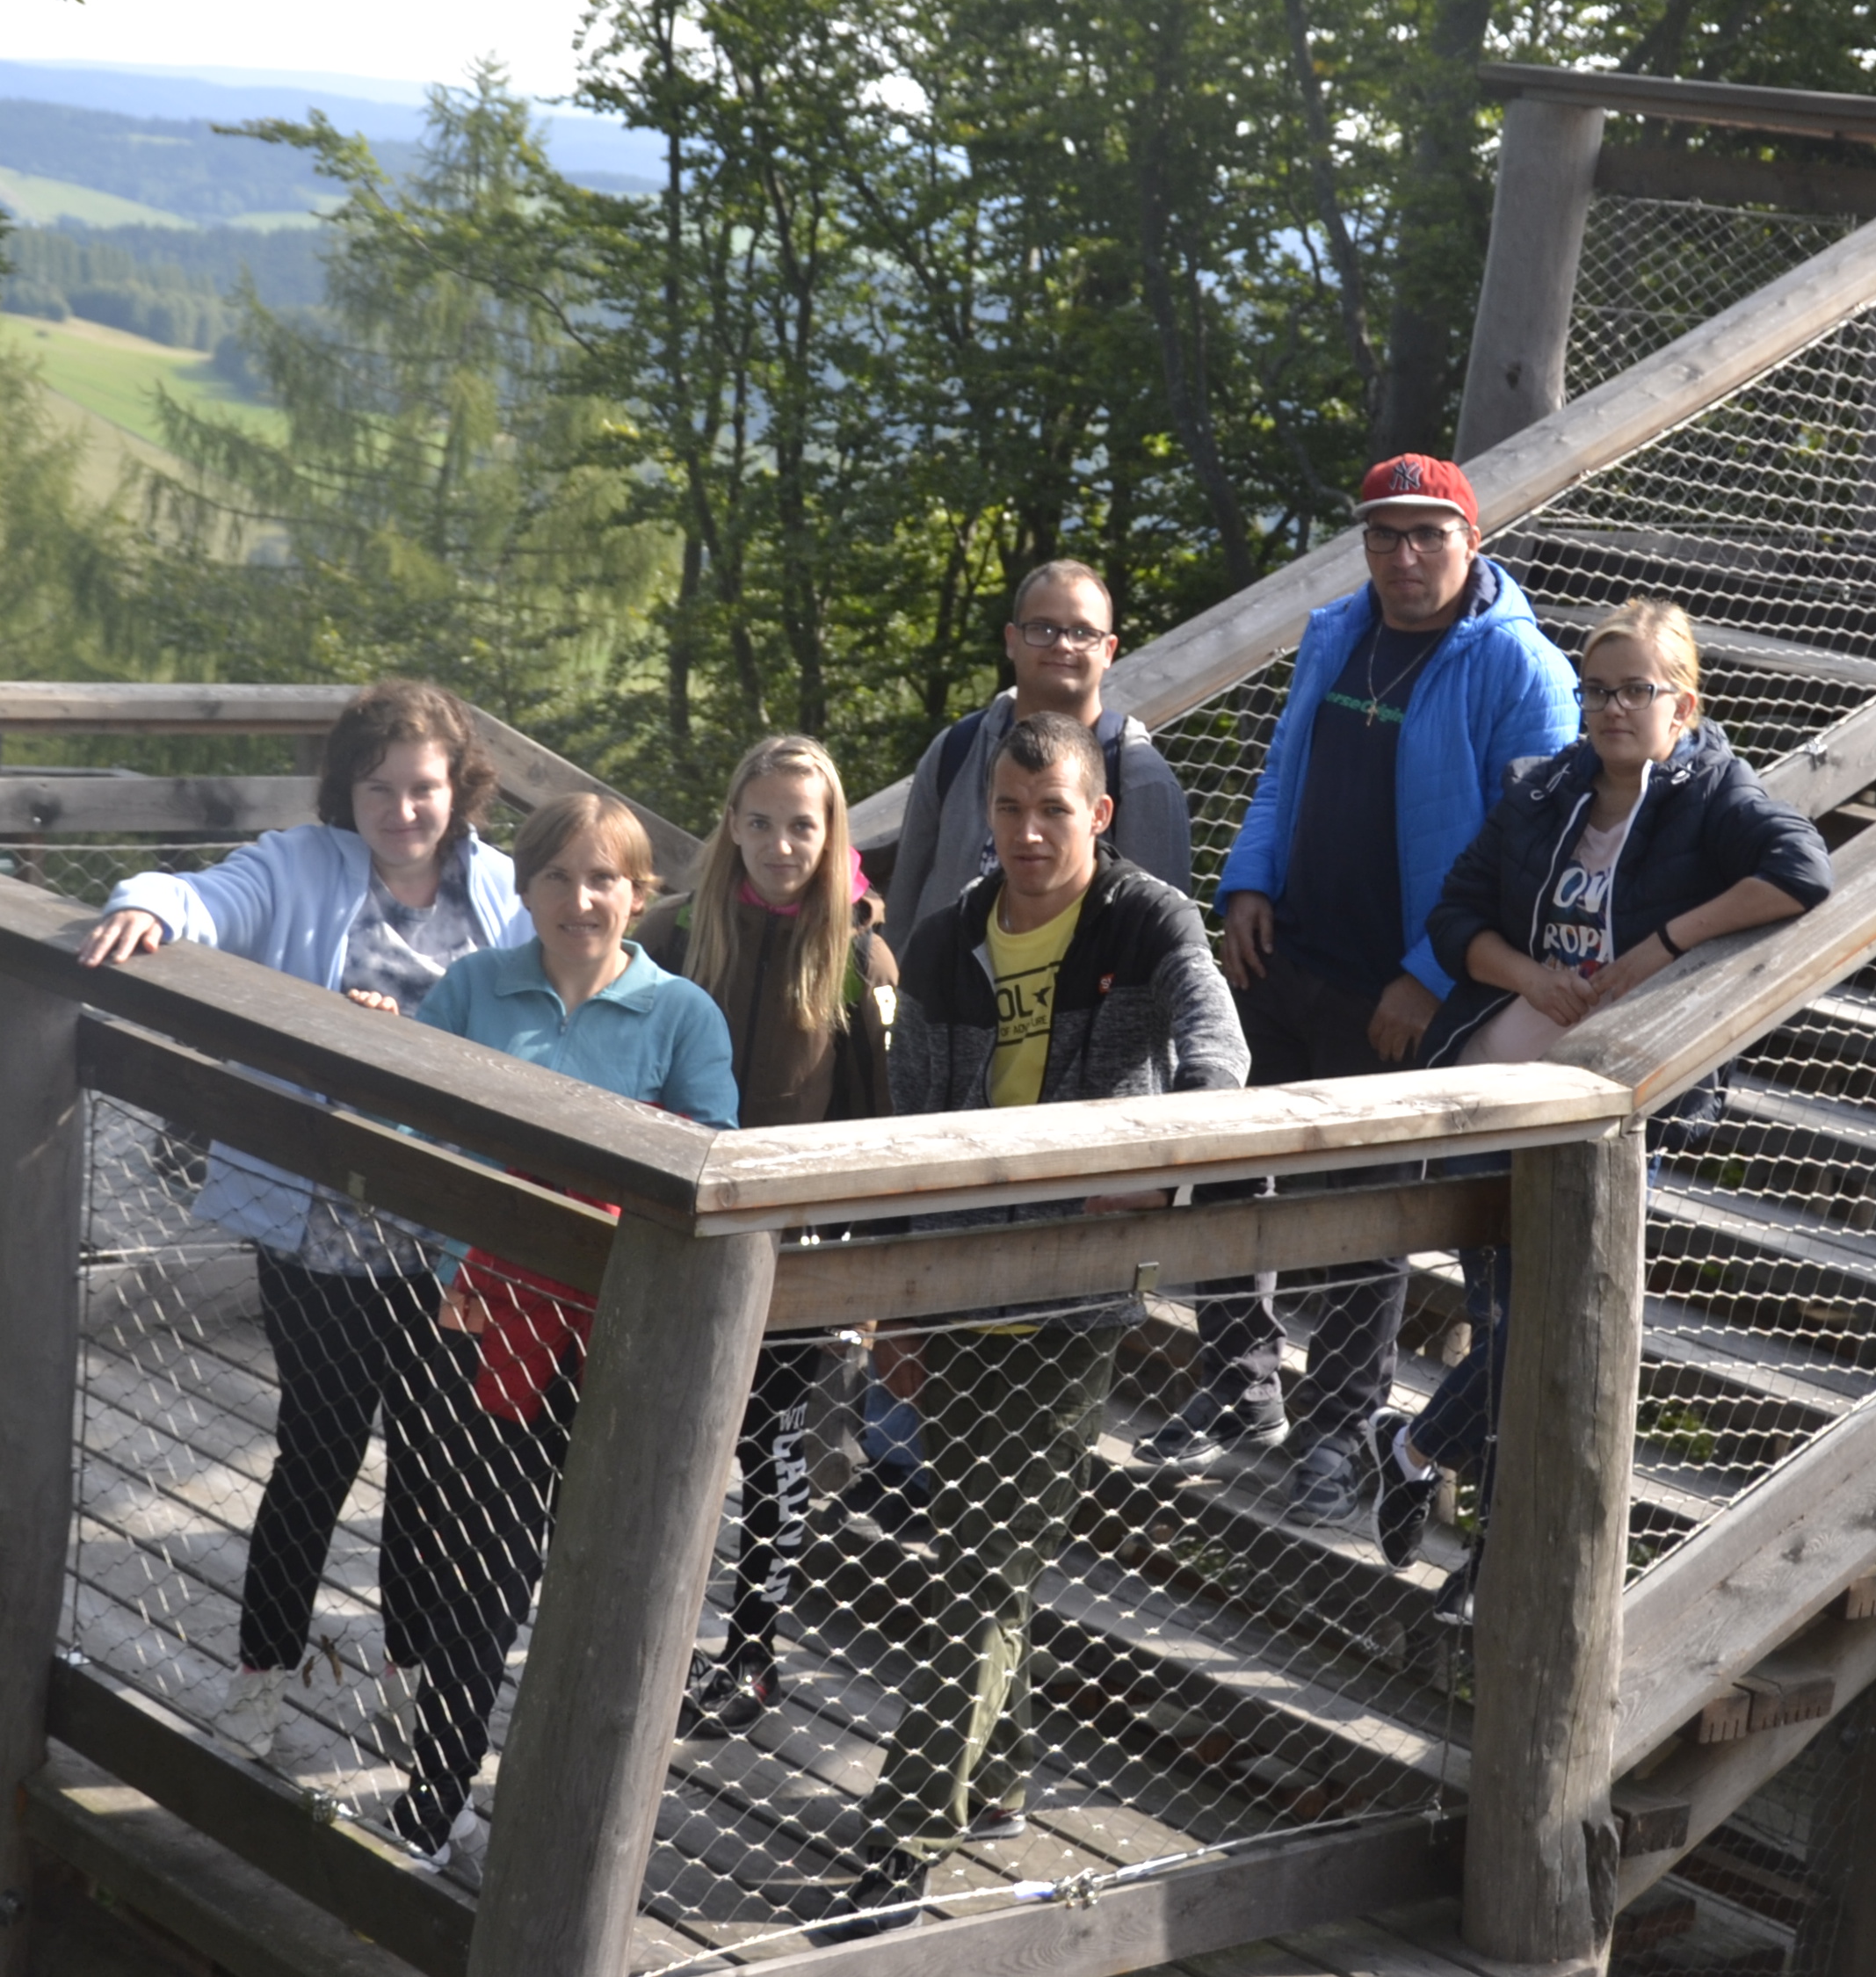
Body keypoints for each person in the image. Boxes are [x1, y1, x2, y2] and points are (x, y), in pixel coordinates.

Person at [838, 714, 1247, 1933]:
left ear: (1098, 813)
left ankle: (903, 1832)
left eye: (1052, 812)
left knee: (976, 1575)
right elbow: (905, 1142)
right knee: (982, 1564)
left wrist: (1169, 1156)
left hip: (1072, 1305)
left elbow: (1217, 1047)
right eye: (1009, 813)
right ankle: (1004, 1780)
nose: (1027, 835)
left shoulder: (1147, 920)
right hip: (956, 1300)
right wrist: (892, 1303)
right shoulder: (946, 935)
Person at [77, 681, 530, 1773]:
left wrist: (415, 1036)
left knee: (432, 1465)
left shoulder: (506, 891)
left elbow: (547, 1001)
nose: (403, 810)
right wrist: (143, 907)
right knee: (316, 1456)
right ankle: (261, 1680)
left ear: (459, 789)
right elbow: (205, 896)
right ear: (350, 791)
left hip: (448, 1239)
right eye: (380, 788)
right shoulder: (305, 864)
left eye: (424, 788)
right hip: (321, 1229)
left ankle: (409, 1675)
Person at [1143, 453, 1575, 1525]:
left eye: (1429, 533)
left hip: (1404, 983)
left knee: (1363, 1212)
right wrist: (1246, 880)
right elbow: (1284, 770)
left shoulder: (1522, 667)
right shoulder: (1338, 631)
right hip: (1284, 952)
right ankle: (1240, 1382)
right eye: (1385, 534)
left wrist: (1430, 978)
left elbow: (1532, 845)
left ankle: (1339, 1425)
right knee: (1228, 1167)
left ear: (1470, 541)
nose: (1405, 554)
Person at [1392, 597, 1831, 1619]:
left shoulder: (1711, 790)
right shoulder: (1544, 789)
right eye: (1598, 690)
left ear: (1684, 704)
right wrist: (1528, 971)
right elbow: (1454, 915)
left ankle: (1418, 1456)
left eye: (1638, 690)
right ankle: (1472, 1544)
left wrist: (1661, 947)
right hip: (1496, 1091)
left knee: (1544, 1330)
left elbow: (1801, 871)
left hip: (1611, 1119)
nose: (1613, 709)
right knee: (1515, 1323)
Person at [384, 788, 735, 1885]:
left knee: (605, 1573)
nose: (580, 900)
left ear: (641, 893)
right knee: (484, 1567)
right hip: (480, 1319)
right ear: (523, 886)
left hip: (617, 1340)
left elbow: (712, 1158)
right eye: (556, 877)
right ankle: (435, 1801)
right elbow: (405, 1120)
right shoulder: (476, 988)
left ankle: (571, 1810)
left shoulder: (681, 1014)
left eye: (605, 880)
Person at [639, 735, 895, 1739]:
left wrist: (871, 1274)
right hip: (673, 1232)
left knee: (769, 1450)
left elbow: (880, 1118)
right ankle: (652, 1633)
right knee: (671, 1445)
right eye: (760, 821)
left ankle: (753, 1653)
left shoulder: (858, 953)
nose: (780, 843)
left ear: (832, 832)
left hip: (795, 1249)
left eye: (804, 823)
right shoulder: (672, 935)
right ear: (730, 824)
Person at [887, 559, 1195, 920]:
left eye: (1082, 632)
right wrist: (892, 979)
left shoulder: (1140, 776)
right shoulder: (954, 752)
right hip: (944, 975)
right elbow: (903, 903)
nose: (1062, 645)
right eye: (1043, 629)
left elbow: (1161, 931)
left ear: (1108, 650)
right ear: (1012, 641)